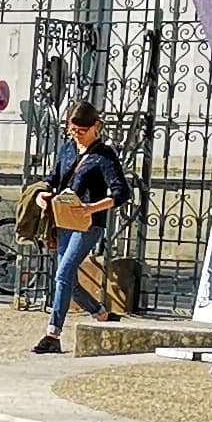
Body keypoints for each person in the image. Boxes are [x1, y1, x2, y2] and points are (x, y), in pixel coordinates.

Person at [31, 101, 130, 354]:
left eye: (81, 131)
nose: (76, 136)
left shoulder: (104, 155)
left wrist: (91, 208)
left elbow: (121, 193)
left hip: (89, 224)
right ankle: (102, 314)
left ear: (96, 127)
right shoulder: (67, 150)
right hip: (64, 220)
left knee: (63, 274)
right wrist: (41, 194)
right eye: (72, 131)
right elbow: (54, 178)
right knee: (69, 281)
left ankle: (53, 334)